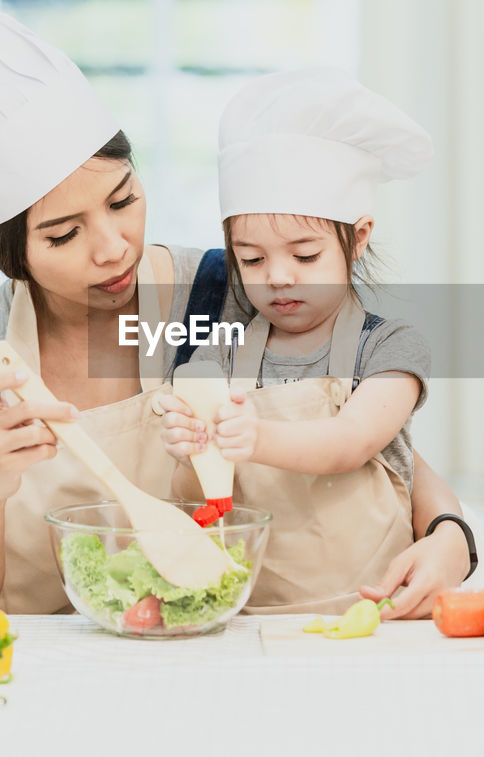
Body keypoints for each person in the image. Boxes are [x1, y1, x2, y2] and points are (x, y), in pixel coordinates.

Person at [0, 5, 475, 617]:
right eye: (63, 236)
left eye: (123, 199)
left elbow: (374, 436)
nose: (113, 248)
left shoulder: (233, 289)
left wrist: (451, 534)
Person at [158, 68, 436, 615]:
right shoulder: (223, 347)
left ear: (357, 239)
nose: (277, 277)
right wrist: (189, 442)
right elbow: (196, 487)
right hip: (247, 609)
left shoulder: (390, 349)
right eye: (252, 258)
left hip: (372, 610)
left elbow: (350, 441)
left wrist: (253, 438)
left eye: (304, 256)